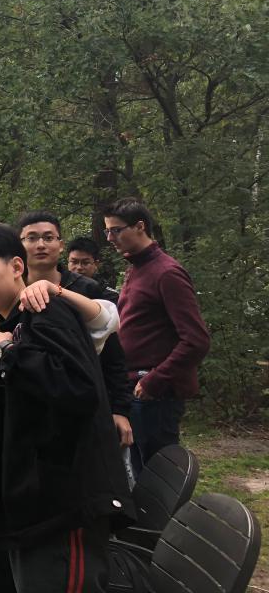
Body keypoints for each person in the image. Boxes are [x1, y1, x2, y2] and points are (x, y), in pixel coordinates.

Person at [0, 221, 132, 593]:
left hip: (60, 510)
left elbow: (79, 391)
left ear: (17, 266)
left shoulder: (47, 311)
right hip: (15, 509)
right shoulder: (9, 325)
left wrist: (5, 352)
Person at [103, 197, 211, 472]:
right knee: (135, 474)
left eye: (116, 230)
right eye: (107, 231)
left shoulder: (167, 273)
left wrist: (154, 380)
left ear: (140, 227)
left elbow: (196, 340)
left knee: (158, 477)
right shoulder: (136, 268)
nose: (110, 238)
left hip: (155, 396)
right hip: (133, 389)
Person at [17, 210, 134, 448]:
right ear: (19, 246)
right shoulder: (11, 289)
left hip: (86, 402)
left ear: (60, 245)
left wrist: (120, 409)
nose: (41, 245)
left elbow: (113, 355)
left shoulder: (86, 289)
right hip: (29, 407)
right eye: (31, 238)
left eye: (48, 237)